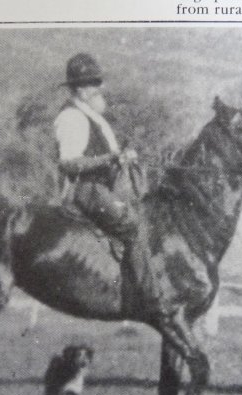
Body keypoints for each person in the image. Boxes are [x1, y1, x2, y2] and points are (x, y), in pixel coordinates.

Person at [54, 53, 161, 314]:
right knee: (132, 227)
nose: (99, 88)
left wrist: (122, 158)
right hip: (86, 190)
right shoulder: (72, 117)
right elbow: (68, 163)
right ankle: (148, 296)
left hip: (102, 188)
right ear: (79, 89)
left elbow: (106, 157)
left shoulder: (93, 116)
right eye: (92, 83)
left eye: (97, 81)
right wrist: (110, 158)